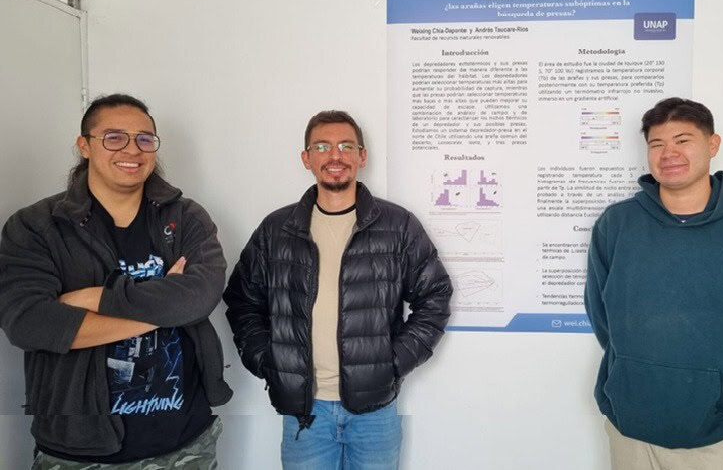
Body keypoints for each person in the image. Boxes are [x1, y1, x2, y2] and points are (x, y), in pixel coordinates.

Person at [0, 93, 232, 469]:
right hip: (78, 450)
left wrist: (96, 298)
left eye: (144, 139)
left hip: (186, 441)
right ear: (84, 146)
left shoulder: (186, 216)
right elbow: (28, 323)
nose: (132, 149)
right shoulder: (37, 226)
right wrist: (163, 311)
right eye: (114, 137)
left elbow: (201, 296)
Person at [224, 110, 452, 469]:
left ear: (362, 156)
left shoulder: (398, 226)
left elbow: (434, 297)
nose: (335, 155)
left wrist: (391, 364)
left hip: (375, 412)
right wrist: (269, 361)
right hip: (304, 412)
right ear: (306, 158)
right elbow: (242, 302)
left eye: (347, 146)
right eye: (322, 146)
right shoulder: (276, 229)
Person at [584, 97, 723, 470]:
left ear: (712, 145)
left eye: (683, 140)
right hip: (630, 424)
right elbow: (601, 314)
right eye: (657, 144)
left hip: (716, 429)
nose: (669, 153)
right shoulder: (616, 224)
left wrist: (715, 367)